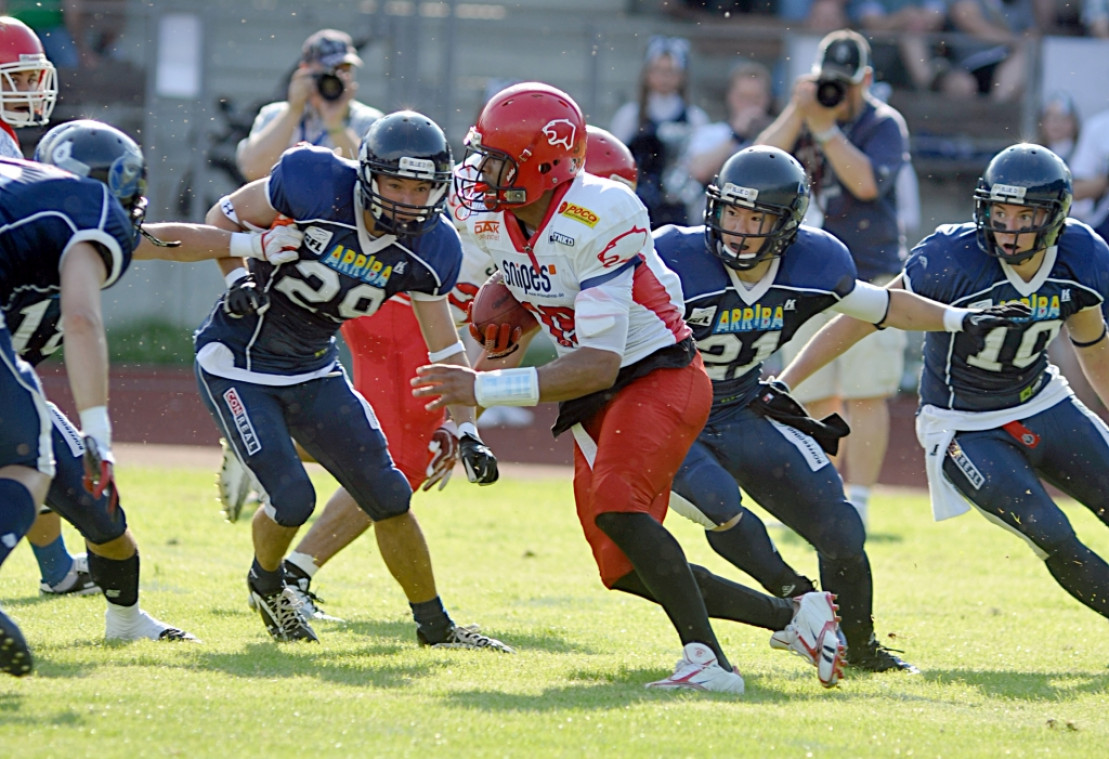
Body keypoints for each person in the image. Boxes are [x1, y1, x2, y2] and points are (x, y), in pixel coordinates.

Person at [414, 81, 849, 693]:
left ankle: (710, 664)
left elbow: (596, 362)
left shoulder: (597, 215)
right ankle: (795, 614)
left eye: (497, 159)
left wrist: (480, 393)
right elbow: (469, 288)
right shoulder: (486, 211)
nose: (480, 171)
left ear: (541, 165)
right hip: (597, 390)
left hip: (658, 374)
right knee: (621, 567)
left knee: (621, 505)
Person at [218, 125, 643, 625]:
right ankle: (293, 573)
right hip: (396, 308)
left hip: (422, 326)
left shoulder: (562, 239)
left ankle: (274, 452)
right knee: (397, 459)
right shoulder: (484, 199)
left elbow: (505, 343)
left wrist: (460, 423)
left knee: (387, 446)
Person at [656, 145, 1026, 672]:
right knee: (717, 500)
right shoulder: (673, 254)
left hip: (740, 404)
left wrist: (958, 320)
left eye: (756, 217)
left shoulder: (816, 261)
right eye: (731, 212)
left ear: (786, 225)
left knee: (842, 529)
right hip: (670, 412)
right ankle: (801, 604)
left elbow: (883, 307)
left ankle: (860, 644)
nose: (738, 229)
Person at [199, 110, 512, 651]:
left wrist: (466, 430)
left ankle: (436, 629)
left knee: (390, 492)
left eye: (422, 188)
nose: (408, 201)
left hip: (313, 366)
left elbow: (445, 346)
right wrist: (237, 279)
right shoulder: (314, 181)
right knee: (293, 498)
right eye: (395, 184)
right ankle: (268, 582)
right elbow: (222, 218)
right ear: (367, 174)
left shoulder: (433, 246)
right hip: (239, 359)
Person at [0, 118, 301, 676]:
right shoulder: (74, 211)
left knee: (102, 517)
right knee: (30, 461)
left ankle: (127, 621)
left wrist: (250, 243)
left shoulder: (37, 212)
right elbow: (83, 321)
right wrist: (98, 430)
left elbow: (161, 241)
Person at [779, 143, 1109, 631]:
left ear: (1055, 217)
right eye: (999, 211)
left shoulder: (1081, 254)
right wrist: (786, 383)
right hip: (963, 425)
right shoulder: (953, 257)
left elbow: (1093, 345)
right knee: (1049, 530)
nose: (1009, 228)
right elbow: (868, 315)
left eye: (1024, 214)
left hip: (1041, 397)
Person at [756, 28, 910, 528]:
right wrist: (796, 112)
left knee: (867, 391)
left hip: (871, 269)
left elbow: (865, 183)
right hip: (806, 275)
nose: (836, 93)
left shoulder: (885, 124)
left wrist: (824, 129)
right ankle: (820, 495)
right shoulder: (806, 116)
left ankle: (860, 499)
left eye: (845, 83)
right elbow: (757, 167)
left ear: (866, 80)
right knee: (810, 391)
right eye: (828, 82)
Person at [235, 28, 382, 182]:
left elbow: (370, 179)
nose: (335, 78)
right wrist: (294, 110)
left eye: (344, 70)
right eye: (328, 71)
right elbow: (252, 171)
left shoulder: (369, 120)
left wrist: (335, 124)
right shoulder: (275, 114)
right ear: (304, 70)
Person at [609, 35, 709, 227]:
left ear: (682, 76)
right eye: (658, 70)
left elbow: (698, 165)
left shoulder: (696, 118)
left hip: (679, 207)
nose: (664, 77)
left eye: (671, 71)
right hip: (638, 206)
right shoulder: (630, 116)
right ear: (647, 74)